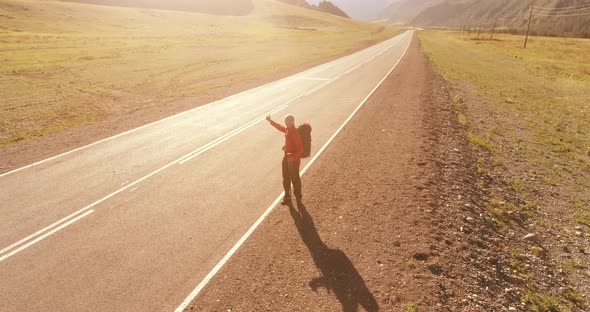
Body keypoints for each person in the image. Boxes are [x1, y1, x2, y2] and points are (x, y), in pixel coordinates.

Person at [266, 114, 303, 206]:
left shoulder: (295, 133)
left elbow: (300, 149)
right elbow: (280, 127)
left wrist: (293, 157)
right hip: (286, 157)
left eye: (287, 121)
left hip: (293, 160)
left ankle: (298, 196)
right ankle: (287, 196)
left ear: (292, 122)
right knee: (286, 178)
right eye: (285, 121)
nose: (285, 123)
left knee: (295, 178)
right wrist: (271, 121)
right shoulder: (288, 129)